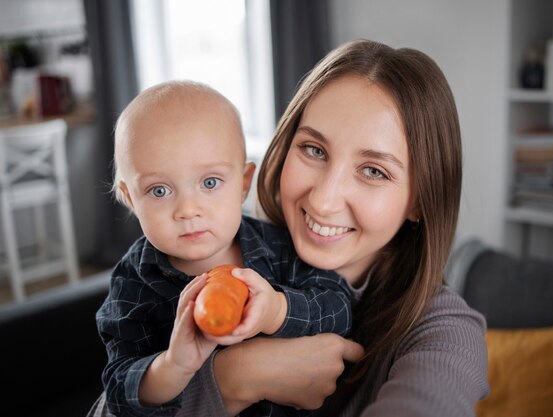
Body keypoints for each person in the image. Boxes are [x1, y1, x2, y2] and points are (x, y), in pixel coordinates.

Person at [181, 39, 490, 417]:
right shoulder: (214, 261)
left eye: (373, 171)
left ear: (420, 202)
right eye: (313, 150)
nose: (324, 200)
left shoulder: (445, 336)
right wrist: (238, 378)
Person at [92, 80, 356, 417]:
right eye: (159, 191)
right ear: (130, 198)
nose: (188, 209)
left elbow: (340, 308)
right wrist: (174, 366)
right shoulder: (134, 280)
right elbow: (118, 393)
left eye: (210, 183)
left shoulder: (278, 246)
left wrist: (276, 309)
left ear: (243, 183)